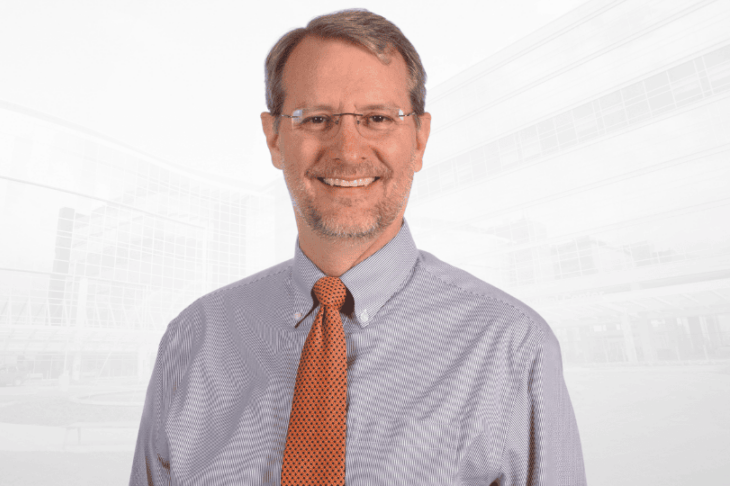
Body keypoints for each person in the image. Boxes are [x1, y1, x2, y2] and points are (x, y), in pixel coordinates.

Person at [130, 9, 587, 486]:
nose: (348, 150)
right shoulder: (194, 341)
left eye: (377, 118)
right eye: (318, 118)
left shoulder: (512, 347)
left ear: (419, 138)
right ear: (273, 138)